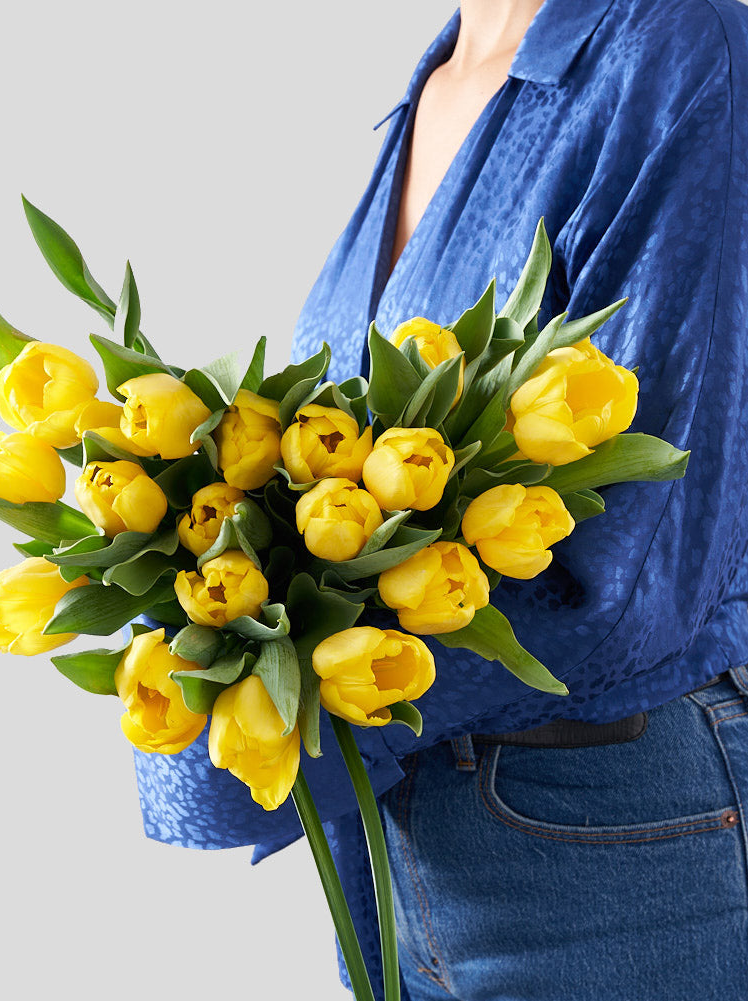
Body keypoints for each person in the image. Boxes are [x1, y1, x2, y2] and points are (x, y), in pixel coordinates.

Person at [134, 0, 748, 997]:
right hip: (404, 845)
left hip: (605, 831)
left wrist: (291, 704)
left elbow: (648, 564)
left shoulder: (678, 44)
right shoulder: (437, 81)